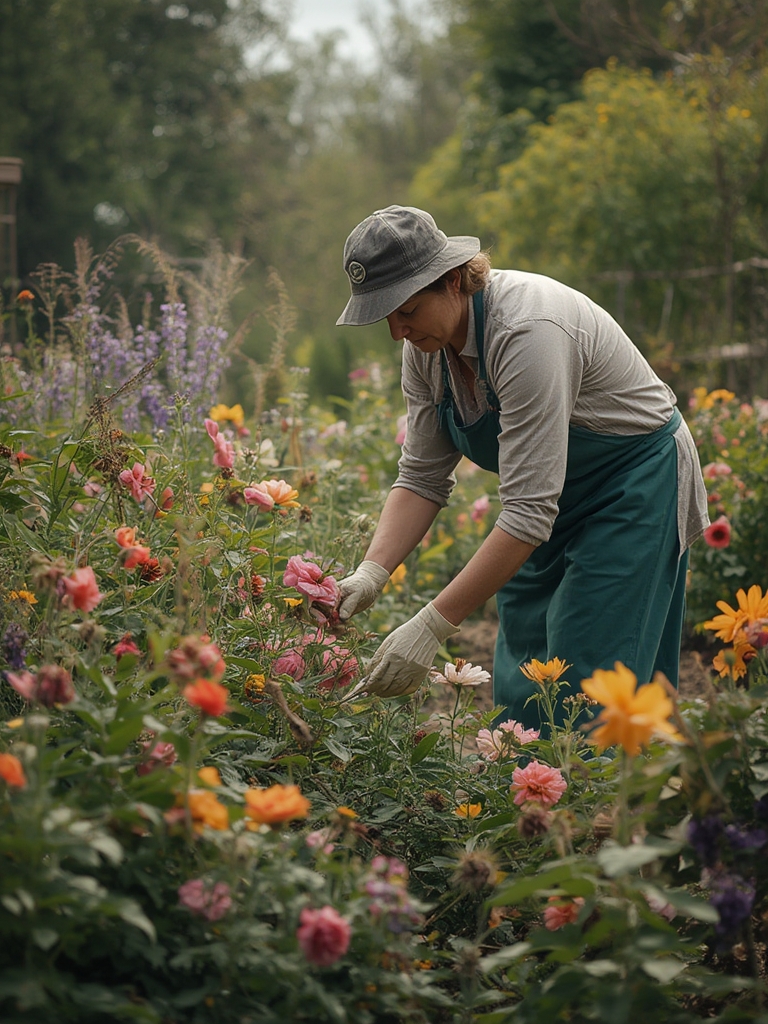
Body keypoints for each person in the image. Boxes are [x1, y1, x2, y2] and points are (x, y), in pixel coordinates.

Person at [334, 204, 709, 727]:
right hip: (546, 498)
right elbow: (421, 476)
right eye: (385, 316)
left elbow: (530, 512)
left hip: (633, 485)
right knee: (524, 670)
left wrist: (431, 626)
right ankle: (529, 802)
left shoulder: (527, 332)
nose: (397, 331)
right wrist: (371, 573)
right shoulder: (426, 348)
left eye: (407, 309)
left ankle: (602, 806)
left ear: (452, 281)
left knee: (592, 678)